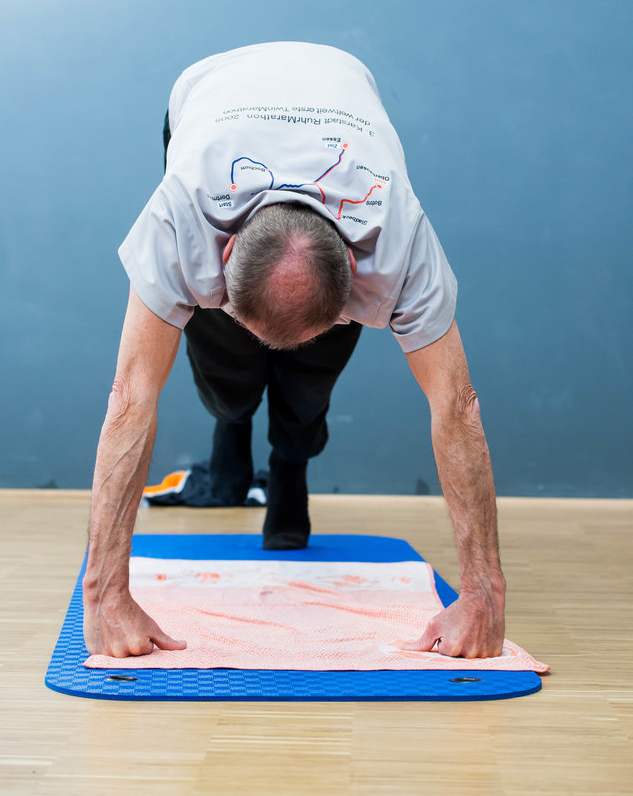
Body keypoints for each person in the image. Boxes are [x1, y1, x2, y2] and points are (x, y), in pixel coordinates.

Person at [83, 41, 506, 660]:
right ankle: (230, 430)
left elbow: (459, 406)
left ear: (357, 280)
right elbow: (129, 397)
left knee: (309, 379)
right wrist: (105, 594)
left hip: (340, 92)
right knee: (226, 374)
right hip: (208, 95)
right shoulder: (182, 218)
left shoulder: (397, 238)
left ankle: (291, 466)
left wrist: (484, 594)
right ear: (222, 256)